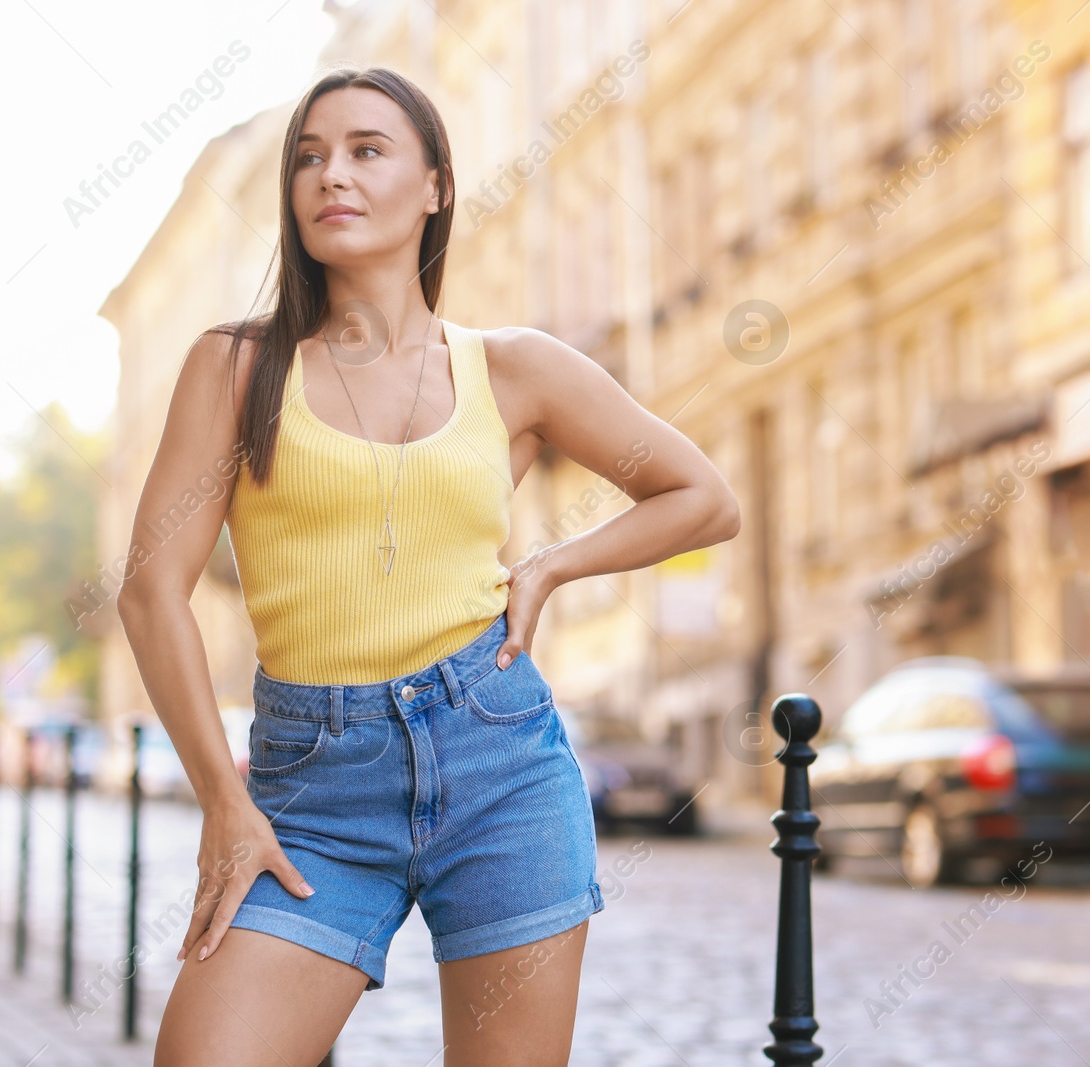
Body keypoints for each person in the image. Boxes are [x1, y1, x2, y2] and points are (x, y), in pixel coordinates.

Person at [117, 64, 740, 1067]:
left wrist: (548, 567)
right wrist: (224, 804)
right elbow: (151, 591)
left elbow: (703, 497)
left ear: (438, 186)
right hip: (310, 788)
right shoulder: (236, 367)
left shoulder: (514, 367)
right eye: (309, 158)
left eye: (367, 151)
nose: (331, 176)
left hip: (499, 763)